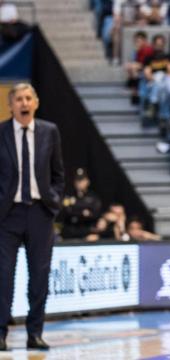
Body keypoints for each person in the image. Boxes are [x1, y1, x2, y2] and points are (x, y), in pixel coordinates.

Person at [0, 84, 64, 351]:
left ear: (36, 102)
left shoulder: (50, 131)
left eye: (28, 98)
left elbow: (58, 174)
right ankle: (0, 334)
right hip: (7, 215)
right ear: (10, 104)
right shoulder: (1, 132)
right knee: (3, 276)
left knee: (39, 276)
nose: (24, 103)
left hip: (40, 213)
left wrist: (54, 202)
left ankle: (34, 333)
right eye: (18, 99)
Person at [60, 168, 102, 239]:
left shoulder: (92, 196)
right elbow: (66, 211)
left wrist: (75, 206)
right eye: (77, 180)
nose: (79, 183)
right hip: (71, 230)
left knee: (94, 236)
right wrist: (83, 212)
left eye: (82, 180)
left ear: (87, 181)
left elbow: (96, 213)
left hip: (87, 229)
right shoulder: (69, 195)